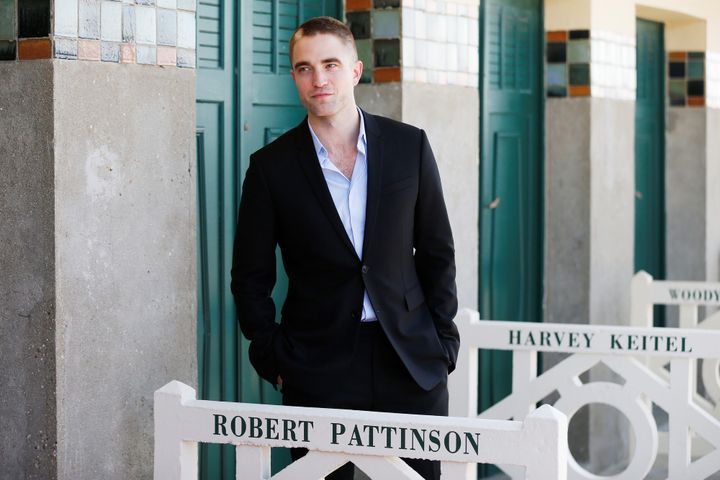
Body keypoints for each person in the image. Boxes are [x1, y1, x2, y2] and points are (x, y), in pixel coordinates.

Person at [230, 16, 459, 480]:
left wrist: (444, 342)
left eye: (330, 64)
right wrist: (271, 356)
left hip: (409, 359)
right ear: (294, 76)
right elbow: (250, 276)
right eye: (304, 68)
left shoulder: (408, 146)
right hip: (317, 363)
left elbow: (437, 251)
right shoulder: (270, 168)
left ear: (355, 70)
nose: (319, 79)